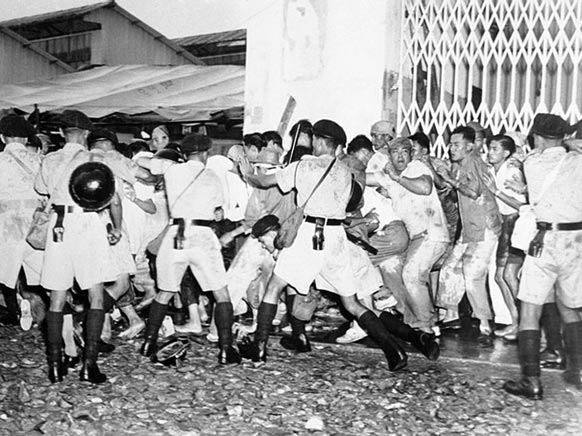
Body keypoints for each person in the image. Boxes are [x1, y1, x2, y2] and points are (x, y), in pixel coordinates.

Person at [238, 119, 407, 371]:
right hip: (336, 237)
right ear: (337, 146)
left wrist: (247, 173)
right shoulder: (345, 172)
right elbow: (352, 204)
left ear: (317, 141)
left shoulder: (303, 165)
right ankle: (393, 349)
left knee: (274, 288)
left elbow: (265, 182)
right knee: (351, 303)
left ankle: (259, 347)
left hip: (309, 233)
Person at [137, 133, 241, 365]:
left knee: (164, 292)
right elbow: (218, 209)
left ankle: (149, 342)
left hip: (175, 235)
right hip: (202, 235)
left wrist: (167, 163)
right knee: (221, 293)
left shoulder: (172, 170)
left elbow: (142, 161)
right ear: (205, 153)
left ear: (184, 154)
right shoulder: (212, 175)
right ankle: (226, 349)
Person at [35, 110, 122, 384]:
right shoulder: (95, 159)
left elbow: (41, 189)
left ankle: (55, 366)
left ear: (61, 133)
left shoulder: (49, 159)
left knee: (57, 299)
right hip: (87, 224)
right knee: (96, 295)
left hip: (58, 227)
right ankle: (89, 366)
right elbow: (112, 197)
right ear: (87, 134)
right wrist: (117, 228)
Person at [503, 114, 582, 400]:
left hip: (544, 241)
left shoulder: (532, 163)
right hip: (575, 241)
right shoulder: (577, 161)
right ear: (563, 136)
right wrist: (570, 142)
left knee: (531, 311)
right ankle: (578, 372)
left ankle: (532, 382)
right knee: (571, 308)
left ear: (536, 136)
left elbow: (543, 152)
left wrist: (560, 142)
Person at [369, 137, 449, 334]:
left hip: (432, 233)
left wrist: (397, 178)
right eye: (395, 152)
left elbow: (425, 187)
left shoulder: (417, 167)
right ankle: (411, 318)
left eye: (404, 151)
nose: (399, 156)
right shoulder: (388, 176)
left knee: (412, 274)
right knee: (390, 265)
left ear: (411, 154)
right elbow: (363, 177)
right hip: (416, 238)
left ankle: (426, 324)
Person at [436, 126, 501, 347]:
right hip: (470, 228)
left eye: (456, 144)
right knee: (450, 267)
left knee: (472, 274)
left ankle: (485, 325)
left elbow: (474, 192)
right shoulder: (464, 164)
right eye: (451, 144)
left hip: (484, 228)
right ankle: (451, 316)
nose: (451, 148)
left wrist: (450, 180)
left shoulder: (473, 161)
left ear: (470, 146)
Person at [0, 115, 43, 330]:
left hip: (7, 223)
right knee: (42, 272)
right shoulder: (40, 160)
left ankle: (13, 310)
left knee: (5, 269)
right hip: (37, 223)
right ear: (26, 139)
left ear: (2, 137)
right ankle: (52, 315)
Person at [481, 135, 526, 340]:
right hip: (503, 224)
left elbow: (521, 206)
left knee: (507, 275)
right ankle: (518, 322)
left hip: (515, 223)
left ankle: (524, 323)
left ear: (506, 152)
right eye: (489, 149)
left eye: (494, 149)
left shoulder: (512, 171)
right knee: (500, 276)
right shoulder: (492, 169)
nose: (490, 153)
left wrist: (496, 191)